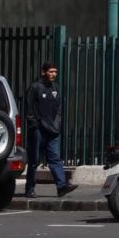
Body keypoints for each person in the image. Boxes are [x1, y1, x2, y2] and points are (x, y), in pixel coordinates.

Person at [23, 62, 73, 196]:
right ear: (43, 72)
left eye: (55, 72)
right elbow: (29, 109)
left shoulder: (55, 88)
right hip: (38, 130)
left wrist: (58, 124)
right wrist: (34, 125)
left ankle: (61, 186)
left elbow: (59, 109)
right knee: (34, 161)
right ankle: (30, 189)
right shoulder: (34, 88)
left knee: (55, 158)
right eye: (51, 71)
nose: (53, 74)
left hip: (53, 130)